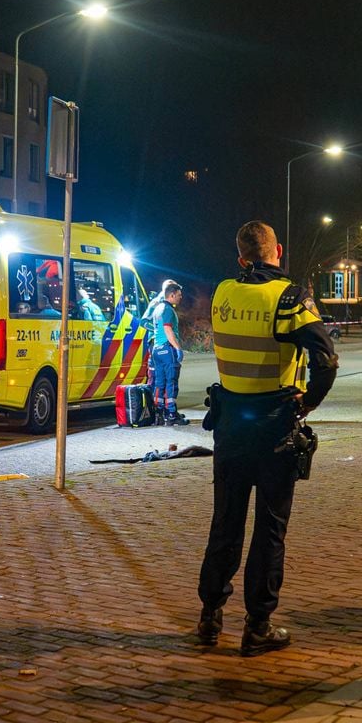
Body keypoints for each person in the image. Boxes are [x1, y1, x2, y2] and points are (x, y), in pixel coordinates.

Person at [197, 220, 338, 656]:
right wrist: (309, 401)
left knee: (226, 521)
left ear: (241, 258)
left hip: (229, 424)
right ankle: (257, 626)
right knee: (270, 527)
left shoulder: (222, 291)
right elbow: (326, 359)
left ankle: (209, 617)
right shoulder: (290, 298)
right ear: (278, 251)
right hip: (274, 422)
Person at [149, 281, 188, 425]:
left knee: (159, 383)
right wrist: (177, 347)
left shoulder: (157, 308)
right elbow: (168, 329)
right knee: (171, 382)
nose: (180, 297)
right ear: (171, 295)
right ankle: (171, 413)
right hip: (167, 349)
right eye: (178, 295)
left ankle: (159, 413)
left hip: (156, 350)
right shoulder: (168, 310)